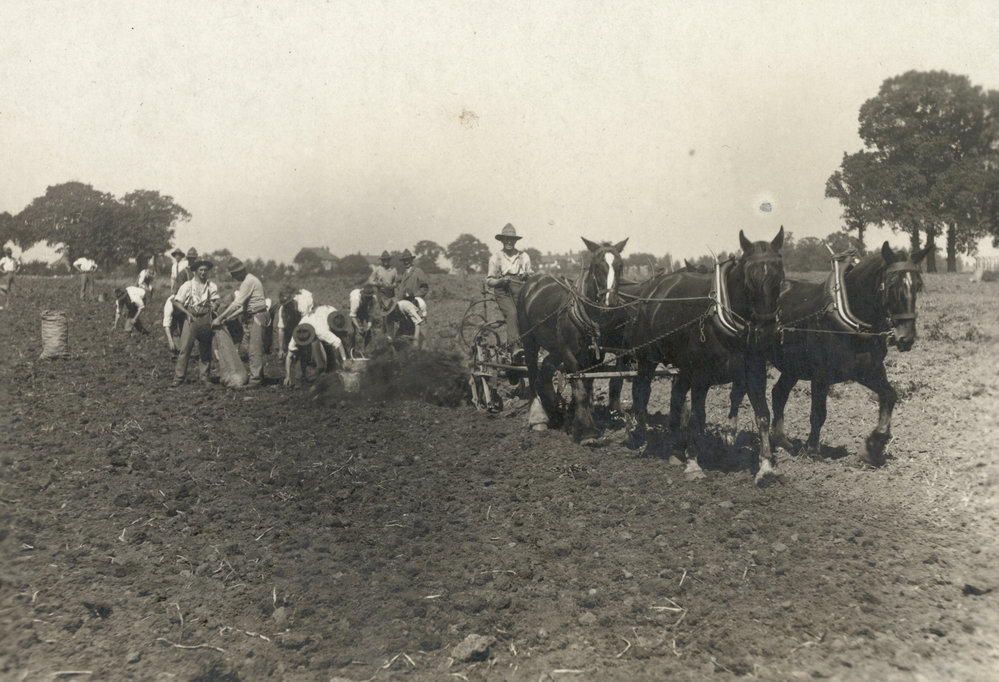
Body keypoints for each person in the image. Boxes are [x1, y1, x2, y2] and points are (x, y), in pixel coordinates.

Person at [213, 258, 269, 387]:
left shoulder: (248, 282)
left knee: (254, 349)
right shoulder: (250, 280)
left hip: (258, 315)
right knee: (253, 348)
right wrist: (228, 318)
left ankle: (255, 380)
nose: (233, 277)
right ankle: (258, 376)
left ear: (240, 272)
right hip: (255, 314)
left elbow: (237, 303)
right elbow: (243, 308)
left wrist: (220, 318)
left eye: (234, 274)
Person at [171, 257, 220, 386]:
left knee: (205, 349)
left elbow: (215, 301)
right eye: (201, 270)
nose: (203, 273)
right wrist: (187, 313)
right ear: (195, 271)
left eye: (205, 270)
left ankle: (204, 377)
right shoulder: (188, 285)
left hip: (205, 319)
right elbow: (176, 302)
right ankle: (178, 378)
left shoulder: (211, 286)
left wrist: (215, 305)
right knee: (185, 349)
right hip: (191, 318)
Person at [486, 223, 532, 358]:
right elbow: (489, 281)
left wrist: (527, 276)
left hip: (520, 290)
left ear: (515, 241)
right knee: (512, 313)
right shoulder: (496, 258)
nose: (509, 242)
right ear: (502, 241)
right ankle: (515, 347)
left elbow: (530, 275)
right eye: (506, 239)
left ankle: (531, 346)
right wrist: (500, 281)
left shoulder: (524, 257)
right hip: (502, 292)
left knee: (527, 315)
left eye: (511, 239)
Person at [283, 305, 349, 386]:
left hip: (327, 316)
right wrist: (288, 376)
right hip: (316, 316)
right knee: (306, 354)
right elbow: (289, 357)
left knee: (325, 350)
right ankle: (303, 377)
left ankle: (329, 369)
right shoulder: (297, 335)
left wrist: (345, 360)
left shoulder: (321, 331)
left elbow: (339, 343)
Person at [348, 283, 377, 352]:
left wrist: (368, 325)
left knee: (368, 332)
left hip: (364, 309)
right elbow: (353, 315)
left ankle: (367, 351)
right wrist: (358, 327)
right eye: (367, 297)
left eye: (370, 297)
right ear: (362, 294)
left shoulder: (374, 299)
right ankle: (351, 352)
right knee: (351, 332)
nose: (368, 298)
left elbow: (371, 314)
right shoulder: (355, 299)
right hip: (353, 309)